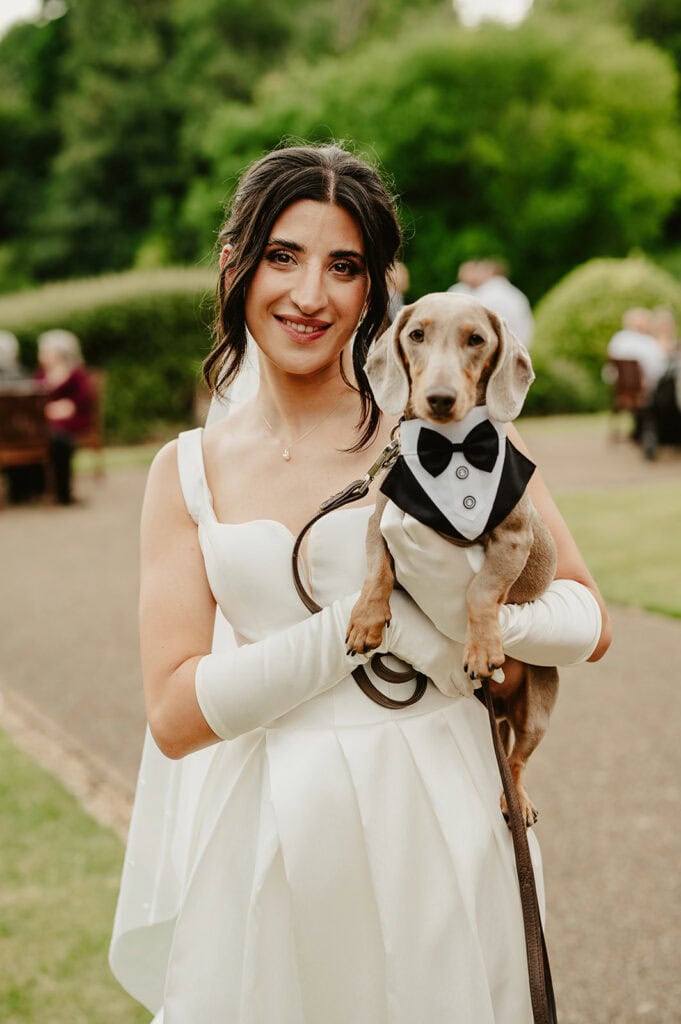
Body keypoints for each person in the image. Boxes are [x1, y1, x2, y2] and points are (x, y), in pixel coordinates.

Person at [110, 143, 611, 1023]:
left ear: (375, 290)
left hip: (435, 803)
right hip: (269, 827)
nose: (309, 295)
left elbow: (585, 618)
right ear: (234, 265)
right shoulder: (182, 472)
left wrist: (472, 618)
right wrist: (366, 622)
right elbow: (176, 715)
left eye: (342, 266)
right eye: (281, 257)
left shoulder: (453, 434)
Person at [35, 329, 94, 505]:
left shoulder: (75, 374)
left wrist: (67, 407)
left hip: (72, 421)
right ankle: (32, 488)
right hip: (45, 424)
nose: (42, 356)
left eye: (46, 352)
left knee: (60, 440)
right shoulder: (41, 375)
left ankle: (63, 492)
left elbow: (83, 400)